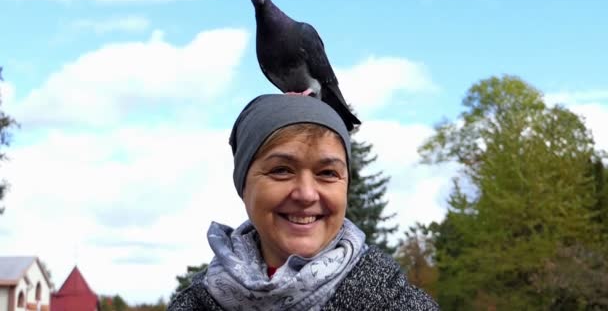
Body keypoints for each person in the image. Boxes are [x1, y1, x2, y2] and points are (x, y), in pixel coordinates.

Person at [168, 94, 438, 310]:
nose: (307, 194)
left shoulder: (395, 303)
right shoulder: (193, 304)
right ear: (243, 184)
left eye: (327, 173)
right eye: (281, 170)